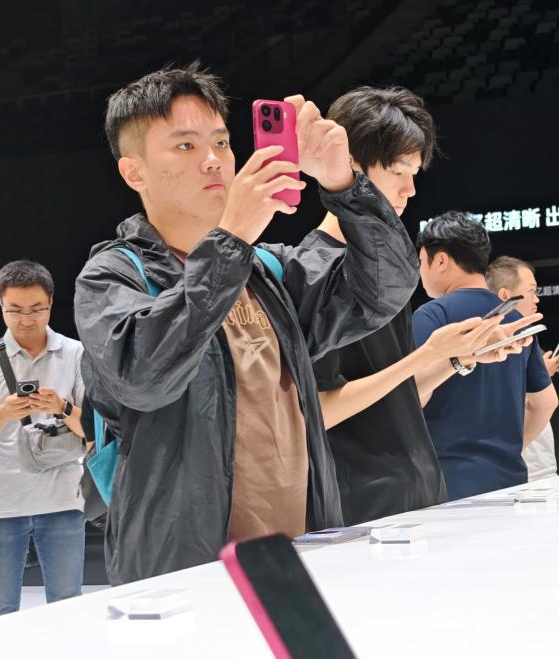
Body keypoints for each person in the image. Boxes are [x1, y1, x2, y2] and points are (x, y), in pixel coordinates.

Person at [75, 64, 419, 584]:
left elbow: (387, 287)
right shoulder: (112, 277)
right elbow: (144, 376)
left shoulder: (267, 271)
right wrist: (232, 238)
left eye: (221, 141)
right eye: (185, 145)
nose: (213, 159)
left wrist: (344, 185)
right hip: (186, 572)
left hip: (300, 555)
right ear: (134, 173)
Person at [299, 87, 516, 524]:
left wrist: (458, 357)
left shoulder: (387, 270)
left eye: (414, 173)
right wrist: (427, 354)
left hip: (418, 495)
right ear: (347, 163)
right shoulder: (312, 269)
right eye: (398, 171)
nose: (410, 189)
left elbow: (401, 397)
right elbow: (314, 412)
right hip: (360, 509)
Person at [0, 261, 85, 618]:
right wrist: (3, 413)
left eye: (37, 309)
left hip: (62, 499)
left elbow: (94, 431)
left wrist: (62, 407)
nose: (26, 320)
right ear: (0, 304)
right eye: (15, 310)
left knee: (69, 606)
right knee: (0, 612)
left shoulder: (75, 353)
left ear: (51, 302)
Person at [413, 212, 557, 500]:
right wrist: (510, 450)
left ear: (440, 260)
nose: (419, 272)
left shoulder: (432, 316)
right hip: (510, 479)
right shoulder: (515, 320)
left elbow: (413, 397)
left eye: (420, 262)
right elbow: (545, 402)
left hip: (445, 483)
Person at [485, 255, 559, 480]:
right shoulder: (497, 342)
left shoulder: (528, 339)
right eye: (531, 291)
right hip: (526, 463)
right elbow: (545, 403)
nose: (536, 299)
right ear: (505, 296)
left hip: (532, 461)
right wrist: (512, 451)